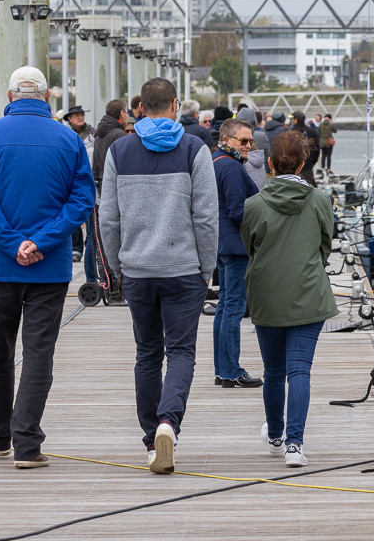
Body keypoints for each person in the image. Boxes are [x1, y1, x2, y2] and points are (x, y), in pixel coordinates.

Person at [0, 67, 94, 469]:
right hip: (49, 266)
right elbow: (82, 199)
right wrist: (41, 240)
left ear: (9, 94)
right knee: (39, 353)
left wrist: (11, 241)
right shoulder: (69, 140)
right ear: (48, 95)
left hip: (0, 265)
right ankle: (27, 443)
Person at [98, 77, 218, 475]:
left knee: (147, 353)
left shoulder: (119, 150)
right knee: (181, 352)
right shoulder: (193, 149)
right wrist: (207, 267)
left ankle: (152, 439)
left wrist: (116, 267)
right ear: (175, 105)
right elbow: (205, 216)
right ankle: (169, 422)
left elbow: (108, 217)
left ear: (140, 109)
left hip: (136, 270)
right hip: (183, 268)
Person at [241, 131, 337, 468]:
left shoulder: (254, 204)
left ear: (269, 164)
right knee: (300, 371)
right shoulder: (321, 200)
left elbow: (250, 247)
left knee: (272, 371)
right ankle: (295, 444)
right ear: (302, 164)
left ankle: (276, 436)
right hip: (308, 291)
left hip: (267, 294)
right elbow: (326, 244)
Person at [211, 117, 263, 389]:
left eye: (251, 141)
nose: (248, 146)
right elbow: (237, 210)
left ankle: (223, 369)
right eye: (243, 140)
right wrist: (261, 231)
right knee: (233, 306)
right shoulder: (230, 167)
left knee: (224, 305)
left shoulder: (217, 160)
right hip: (235, 245)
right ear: (227, 139)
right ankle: (231, 370)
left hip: (223, 243)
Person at [91, 99, 128, 289]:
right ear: (121, 115)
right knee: (120, 233)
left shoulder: (99, 135)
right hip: (117, 188)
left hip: (101, 187)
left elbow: (96, 165)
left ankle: (108, 281)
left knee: (104, 234)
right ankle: (119, 280)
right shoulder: (119, 135)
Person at [63, 105, 96, 278]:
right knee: (73, 218)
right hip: (70, 181)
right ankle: (76, 249)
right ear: (69, 118)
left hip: (89, 181)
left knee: (91, 226)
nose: (80, 117)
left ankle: (89, 271)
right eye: (76, 115)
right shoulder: (65, 135)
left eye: (81, 114)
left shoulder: (92, 133)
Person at [291, 111, 320, 186]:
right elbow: (317, 149)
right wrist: (312, 163)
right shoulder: (312, 131)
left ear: (295, 120)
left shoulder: (290, 132)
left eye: (292, 119)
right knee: (310, 187)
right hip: (308, 165)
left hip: (293, 166)